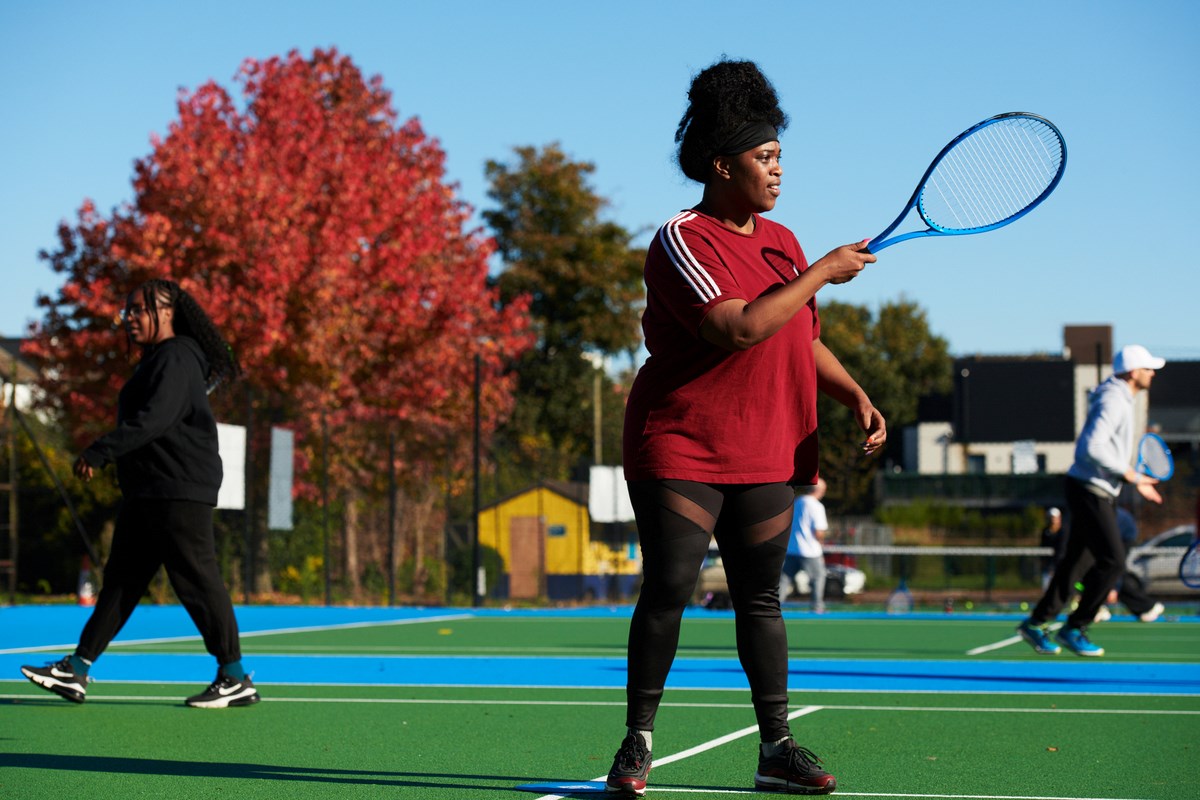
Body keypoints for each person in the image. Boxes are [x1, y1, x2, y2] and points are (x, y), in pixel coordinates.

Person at [609, 59, 885, 796]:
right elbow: (738, 327)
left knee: (761, 599)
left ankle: (775, 748)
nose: (777, 170)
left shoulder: (786, 244)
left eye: (780, 157)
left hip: (769, 444)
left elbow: (799, 336)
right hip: (683, 441)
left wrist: (856, 392)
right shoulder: (682, 238)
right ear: (720, 164)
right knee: (668, 585)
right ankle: (637, 741)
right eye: (765, 158)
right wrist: (823, 269)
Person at [20, 279, 260, 709]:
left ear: (166, 313)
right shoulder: (158, 360)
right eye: (126, 311)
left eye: (139, 310)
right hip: (151, 490)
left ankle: (235, 675)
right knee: (121, 583)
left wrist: (100, 451)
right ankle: (76, 669)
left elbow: (155, 419)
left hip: (178, 488)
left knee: (197, 580)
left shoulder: (178, 357)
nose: (129, 318)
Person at [1017, 344, 1165, 657]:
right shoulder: (1115, 398)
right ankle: (1076, 626)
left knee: (1076, 563)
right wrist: (1131, 475)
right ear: (1132, 371)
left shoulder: (1121, 398)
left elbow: (1104, 451)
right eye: (1148, 368)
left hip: (1094, 489)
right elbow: (1090, 447)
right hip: (1089, 490)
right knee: (1113, 561)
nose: (1152, 373)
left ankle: (1036, 622)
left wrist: (1130, 476)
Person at [1089, 504, 1164, 623]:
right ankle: (1097, 607)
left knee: (1111, 570)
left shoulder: (1108, 517)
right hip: (1118, 537)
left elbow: (1115, 565)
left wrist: (1114, 588)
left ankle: (1148, 606)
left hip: (1124, 538)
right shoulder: (1094, 514)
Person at [781, 478, 829, 613]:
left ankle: (774, 606)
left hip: (792, 548)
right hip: (810, 551)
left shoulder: (796, 502)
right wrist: (822, 544)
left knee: (784, 580)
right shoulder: (816, 506)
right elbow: (819, 532)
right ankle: (817, 607)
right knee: (818, 577)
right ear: (819, 490)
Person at [1038, 507, 1065, 588]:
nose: (1053, 520)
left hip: (1061, 566)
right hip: (1048, 567)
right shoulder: (1045, 532)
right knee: (1047, 588)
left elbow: (1061, 549)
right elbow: (1043, 548)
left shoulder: (1063, 531)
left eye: (1055, 517)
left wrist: (1056, 567)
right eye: (1051, 517)